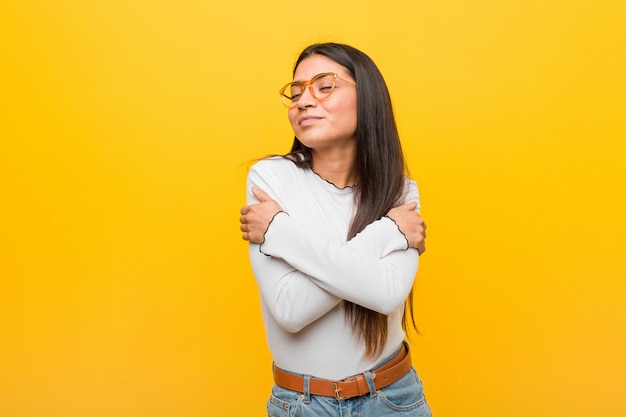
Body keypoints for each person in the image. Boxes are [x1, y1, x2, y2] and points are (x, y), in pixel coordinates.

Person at [239, 42, 432, 416]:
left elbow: (386, 293)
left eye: (324, 86)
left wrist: (279, 231)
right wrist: (389, 231)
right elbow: (291, 310)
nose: (304, 101)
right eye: (295, 93)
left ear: (368, 97)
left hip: (393, 399)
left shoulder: (401, 191)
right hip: (302, 405)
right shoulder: (270, 178)